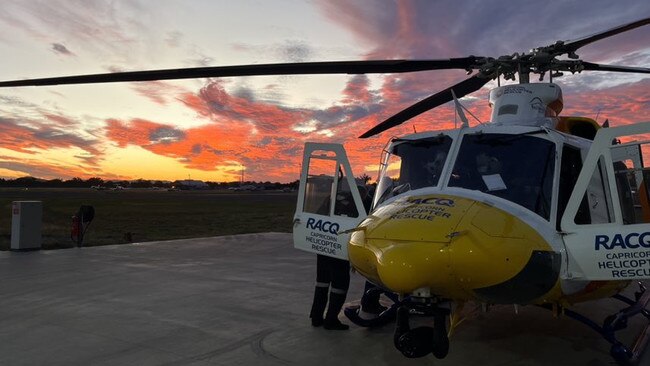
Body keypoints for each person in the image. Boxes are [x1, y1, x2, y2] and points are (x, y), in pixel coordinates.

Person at [309, 254, 350, 330]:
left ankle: (316, 317)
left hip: (324, 248)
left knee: (322, 281)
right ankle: (331, 320)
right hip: (338, 251)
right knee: (340, 284)